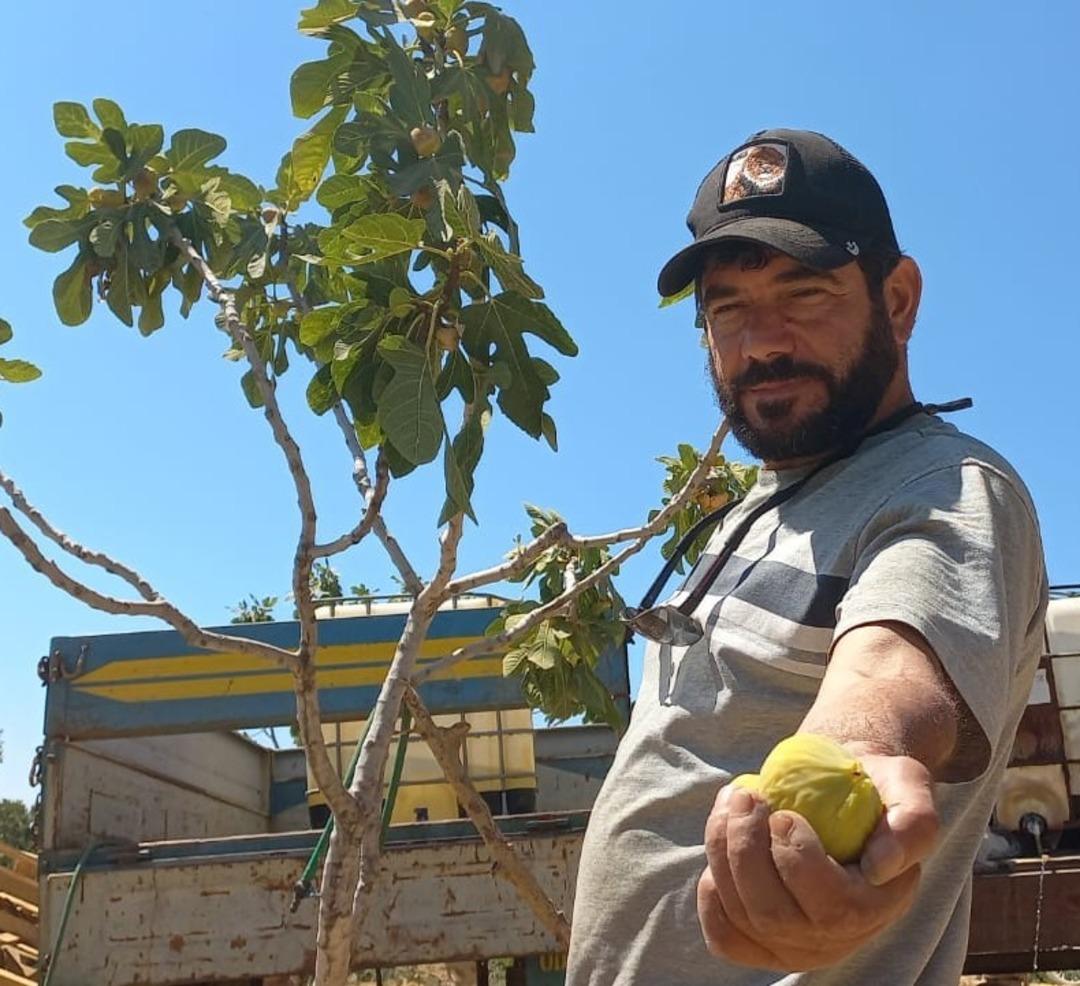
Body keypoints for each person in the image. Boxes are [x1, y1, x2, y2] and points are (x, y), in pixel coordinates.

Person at [565, 129, 1048, 986]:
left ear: (897, 300)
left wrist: (858, 755)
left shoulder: (947, 488)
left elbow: (890, 671)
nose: (761, 342)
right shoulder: (758, 511)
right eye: (727, 309)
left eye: (805, 292)